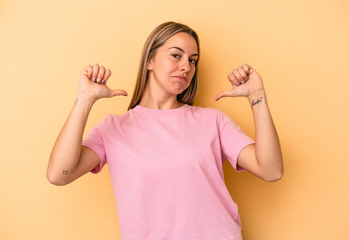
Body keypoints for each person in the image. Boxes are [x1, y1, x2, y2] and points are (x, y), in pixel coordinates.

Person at [47, 21, 283, 240]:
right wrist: (85, 99)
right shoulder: (113, 129)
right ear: (149, 61)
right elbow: (59, 174)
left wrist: (257, 97)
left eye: (192, 60)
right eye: (176, 55)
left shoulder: (213, 121)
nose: (186, 67)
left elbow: (271, 170)